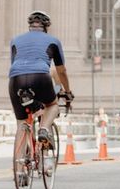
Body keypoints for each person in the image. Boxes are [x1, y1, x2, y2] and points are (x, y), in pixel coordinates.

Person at [8, 10, 73, 149]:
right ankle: (44, 129)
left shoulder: (15, 40)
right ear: (46, 27)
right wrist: (67, 92)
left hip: (15, 78)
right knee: (52, 106)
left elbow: (14, 64)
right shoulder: (53, 41)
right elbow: (61, 70)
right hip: (40, 77)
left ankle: (19, 168)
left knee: (21, 122)